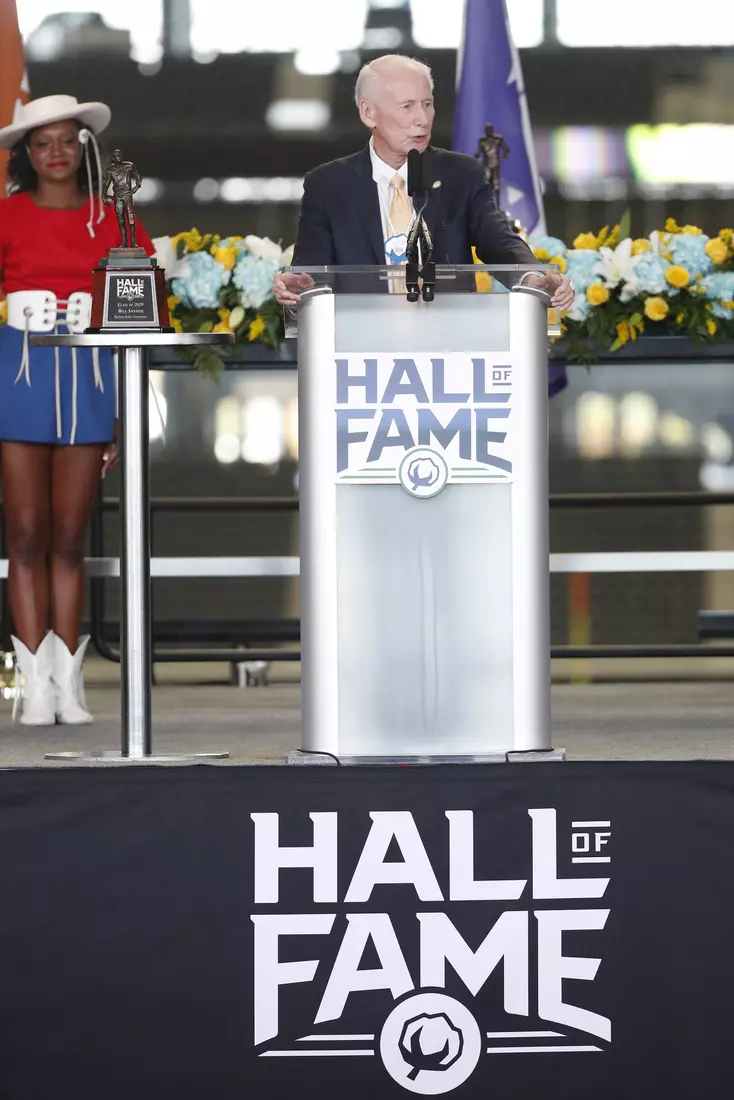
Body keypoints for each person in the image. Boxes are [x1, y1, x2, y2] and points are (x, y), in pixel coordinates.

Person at [0, 94, 155, 726]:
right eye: (43, 142)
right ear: (27, 155)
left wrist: (120, 405)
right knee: (26, 532)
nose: (56, 152)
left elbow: (139, 305)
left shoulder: (113, 218)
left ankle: (69, 682)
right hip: (18, 368)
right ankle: (33, 683)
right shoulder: (6, 215)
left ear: (84, 148)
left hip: (88, 373)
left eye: (67, 140)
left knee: (69, 537)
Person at [273, 54, 574, 311]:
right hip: (359, 352)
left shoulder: (460, 174)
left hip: (448, 344)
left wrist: (534, 276)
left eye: (427, 104)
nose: (423, 118)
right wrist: (298, 286)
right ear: (368, 113)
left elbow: (500, 243)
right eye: (407, 106)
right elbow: (310, 272)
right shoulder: (328, 185)